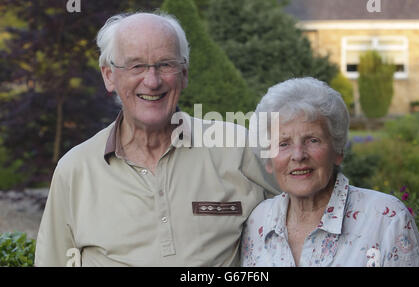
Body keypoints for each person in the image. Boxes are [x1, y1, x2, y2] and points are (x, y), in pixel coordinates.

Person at [34, 12, 279, 266]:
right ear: (109, 76)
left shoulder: (237, 146)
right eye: (136, 66)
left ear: (184, 74)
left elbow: (311, 207)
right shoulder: (75, 170)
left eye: (165, 64)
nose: (152, 81)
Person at [241, 77, 419, 267]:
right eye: (283, 144)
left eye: (312, 140)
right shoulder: (259, 221)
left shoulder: (386, 219)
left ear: (338, 150)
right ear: (269, 161)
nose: (298, 155)